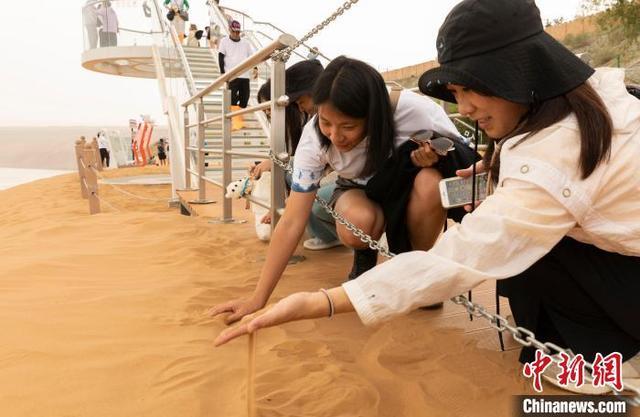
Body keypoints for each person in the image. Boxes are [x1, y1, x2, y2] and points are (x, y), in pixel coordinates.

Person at [213, 0, 640, 392]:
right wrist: (258, 295)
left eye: (469, 88)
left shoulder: (552, 150)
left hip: (614, 262)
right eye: (455, 94)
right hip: (369, 197)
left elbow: (465, 252)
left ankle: (618, 357)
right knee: (511, 240)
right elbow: (294, 216)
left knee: (497, 237)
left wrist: (320, 302)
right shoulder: (582, 102)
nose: (464, 108)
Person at [208, 55, 477, 324]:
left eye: (348, 126)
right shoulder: (313, 139)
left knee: (430, 181)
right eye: (326, 122)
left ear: (373, 115)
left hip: (408, 190)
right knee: (357, 223)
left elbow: (465, 157)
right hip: (357, 189)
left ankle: (416, 267)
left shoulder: (412, 110)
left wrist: (436, 155)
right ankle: (365, 253)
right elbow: (291, 221)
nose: (335, 137)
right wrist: (258, 298)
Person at [254, 60, 341, 250]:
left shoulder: (319, 120)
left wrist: (289, 204)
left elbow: (331, 169)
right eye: (264, 108)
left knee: (311, 195)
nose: (268, 111)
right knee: (291, 173)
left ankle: (326, 233)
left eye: (269, 105)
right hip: (327, 178)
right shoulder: (303, 123)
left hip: (344, 182)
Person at [218, 20, 255, 109]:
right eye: (233, 31)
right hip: (231, 75)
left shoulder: (245, 43)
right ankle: (235, 120)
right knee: (232, 101)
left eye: (237, 32)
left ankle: (239, 116)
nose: (235, 34)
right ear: (229, 30)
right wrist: (222, 72)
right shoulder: (224, 41)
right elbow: (221, 56)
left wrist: (255, 68)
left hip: (244, 76)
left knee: (244, 101)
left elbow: (252, 57)